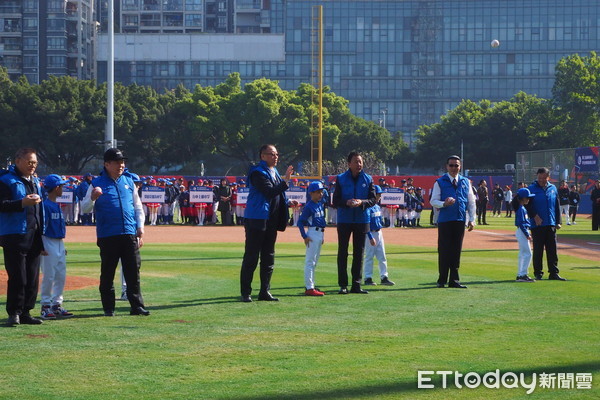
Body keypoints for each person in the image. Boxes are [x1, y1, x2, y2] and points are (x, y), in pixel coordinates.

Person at [81, 148, 150, 316]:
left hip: (129, 233)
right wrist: (92, 198)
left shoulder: (128, 181)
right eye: (118, 162)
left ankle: (137, 306)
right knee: (108, 273)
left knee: (133, 272)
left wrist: (140, 226)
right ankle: (108, 307)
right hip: (108, 235)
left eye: (123, 162)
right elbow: (84, 208)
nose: (121, 165)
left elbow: (137, 207)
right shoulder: (96, 184)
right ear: (107, 164)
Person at [240, 144, 295, 302]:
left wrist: (289, 201)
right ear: (262, 156)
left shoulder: (274, 171)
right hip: (257, 218)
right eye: (271, 154)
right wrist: (286, 181)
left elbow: (277, 196)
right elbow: (269, 192)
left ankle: (265, 291)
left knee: (268, 257)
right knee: (251, 256)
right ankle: (246, 292)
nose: (275, 157)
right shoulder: (257, 172)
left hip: (271, 219)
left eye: (276, 154)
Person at [0, 148, 45, 326]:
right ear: (18, 160)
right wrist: (22, 203)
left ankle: (26, 312)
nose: (32, 165)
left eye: (34, 162)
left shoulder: (34, 181)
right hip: (14, 234)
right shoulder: (5, 181)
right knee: (18, 276)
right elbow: (2, 205)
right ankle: (14, 313)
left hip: (33, 234)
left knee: (33, 276)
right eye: (29, 162)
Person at [333, 151, 377, 294]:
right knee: (343, 252)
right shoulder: (340, 179)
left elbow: (372, 200)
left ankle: (356, 285)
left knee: (359, 253)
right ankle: (343, 285)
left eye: (360, 161)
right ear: (349, 164)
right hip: (344, 219)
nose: (359, 164)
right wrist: (347, 202)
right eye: (356, 161)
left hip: (362, 220)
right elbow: (335, 201)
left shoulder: (368, 179)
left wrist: (361, 202)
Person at [430, 155, 476, 288]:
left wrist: (472, 219)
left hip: (459, 219)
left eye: (456, 165)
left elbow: (471, 201)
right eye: (451, 165)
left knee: (456, 250)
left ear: (460, 166)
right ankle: (442, 279)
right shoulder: (440, 181)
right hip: (445, 220)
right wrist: (444, 204)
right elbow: (433, 201)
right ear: (447, 166)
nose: (454, 168)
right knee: (444, 250)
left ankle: (454, 280)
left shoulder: (465, 181)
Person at [39, 174, 74, 319]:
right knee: (49, 275)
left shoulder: (56, 205)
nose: (63, 188)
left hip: (59, 242)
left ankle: (57, 305)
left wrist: (62, 245)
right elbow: (41, 227)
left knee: (60, 275)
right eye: (61, 186)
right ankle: (45, 306)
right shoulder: (45, 206)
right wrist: (41, 246)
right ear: (55, 188)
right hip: (48, 241)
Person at [525, 167, 566, 281]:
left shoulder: (553, 188)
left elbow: (556, 205)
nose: (541, 180)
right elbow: (527, 205)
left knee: (552, 250)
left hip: (551, 223)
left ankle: (554, 273)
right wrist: (534, 216)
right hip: (537, 225)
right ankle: (538, 273)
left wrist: (558, 221)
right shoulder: (531, 189)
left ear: (548, 177)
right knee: (538, 249)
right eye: (539, 178)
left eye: (544, 178)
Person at [297, 181, 327, 296]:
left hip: (319, 233)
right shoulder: (309, 206)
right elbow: (300, 222)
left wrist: (322, 236)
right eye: (318, 192)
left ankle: (311, 285)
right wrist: (304, 236)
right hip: (312, 233)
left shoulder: (319, 204)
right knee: (310, 261)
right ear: (311, 193)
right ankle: (309, 288)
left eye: (321, 192)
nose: (321, 194)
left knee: (315, 262)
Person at [363, 185, 395, 286]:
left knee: (382, 256)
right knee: (369, 256)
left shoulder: (377, 206)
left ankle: (384, 277)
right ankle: (368, 278)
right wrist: (370, 236)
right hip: (370, 234)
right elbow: (366, 223)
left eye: (380, 194)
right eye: (378, 194)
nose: (379, 196)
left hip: (379, 232)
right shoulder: (367, 207)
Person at [511, 188, 536, 282]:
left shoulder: (521, 208)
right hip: (522, 231)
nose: (528, 199)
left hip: (522, 231)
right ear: (522, 198)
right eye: (527, 197)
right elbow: (521, 223)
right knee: (528, 253)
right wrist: (527, 234)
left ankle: (520, 274)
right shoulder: (521, 209)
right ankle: (523, 275)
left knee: (522, 253)